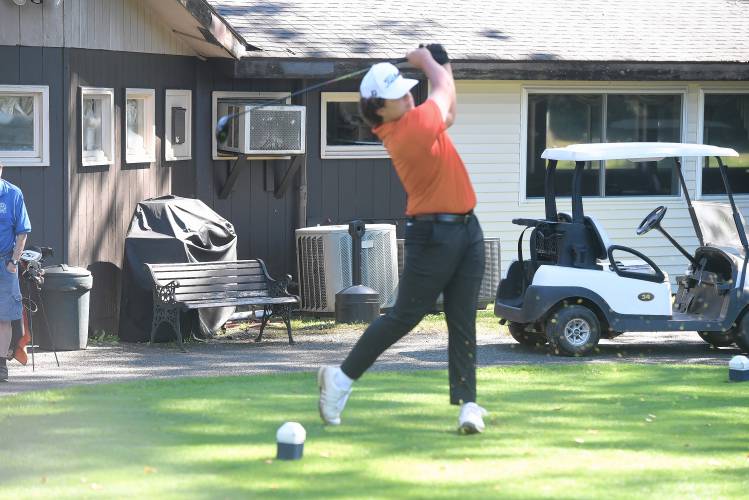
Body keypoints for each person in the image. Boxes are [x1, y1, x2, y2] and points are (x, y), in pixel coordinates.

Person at [317, 45, 487, 434]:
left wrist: (442, 64)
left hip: (466, 229)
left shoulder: (415, 119)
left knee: (464, 319)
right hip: (433, 235)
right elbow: (442, 93)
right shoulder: (407, 130)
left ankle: (469, 405)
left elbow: (451, 109)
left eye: (409, 90)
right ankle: (339, 380)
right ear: (379, 109)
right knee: (403, 317)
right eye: (399, 96)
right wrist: (428, 61)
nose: (409, 96)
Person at [0, 161, 31, 382]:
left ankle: (1, 365)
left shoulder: (13, 194)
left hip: (5, 263)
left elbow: (22, 233)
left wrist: (13, 262)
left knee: (5, 317)